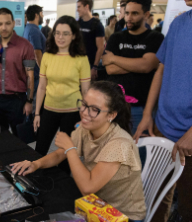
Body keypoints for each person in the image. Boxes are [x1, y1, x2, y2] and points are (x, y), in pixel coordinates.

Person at [12, 81, 146, 222]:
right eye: (84, 104)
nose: (84, 113)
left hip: (119, 213)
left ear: (111, 115)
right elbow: (59, 153)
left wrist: (70, 149)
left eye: (94, 109)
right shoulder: (87, 129)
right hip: (95, 202)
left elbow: (87, 188)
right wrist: (36, 164)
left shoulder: (119, 144)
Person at [133, 2, 192, 221]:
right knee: (155, 201)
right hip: (163, 126)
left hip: (190, 138)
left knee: (188, 207)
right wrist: (148, 114)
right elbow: (162, 69)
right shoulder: (179, 22)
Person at [102, 0, 164, 134]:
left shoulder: (155, 37)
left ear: (146, 14)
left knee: (137, 150)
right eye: (127, 13)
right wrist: (138, 63)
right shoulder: (116, 37)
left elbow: (147, 66)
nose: (129, 17)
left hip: (140, 107)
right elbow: (110, 69)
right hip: (114, 105)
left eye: (135, 13)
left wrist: (113, 58)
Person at [34, 16, 91, 160]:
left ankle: (62, 182)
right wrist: (36, 113)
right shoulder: (47, 56)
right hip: (49, 109)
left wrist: (85, 116)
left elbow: (86, 91)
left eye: (65, 33)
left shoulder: (81, 58)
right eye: (57, 33)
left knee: (67, 154)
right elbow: (41, 87)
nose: (60, 37)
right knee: (39, 150)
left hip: (72, 111)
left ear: (74, 36)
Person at [0, 8, 35, 136]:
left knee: (19, 139)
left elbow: (30, 75)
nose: (4, 27)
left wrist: (29, 101)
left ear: (13, 23)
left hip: (17, 101)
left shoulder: (25, 46)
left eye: (7, 23)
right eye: (0, 24)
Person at [23, 4, 46, 109]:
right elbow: (37, 54)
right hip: (36, 75)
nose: (43, 16)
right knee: (36, 106)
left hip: (33, 74)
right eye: (42, 14)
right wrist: (44, 72)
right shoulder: (34, 31)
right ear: (37, 15)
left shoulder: (28, 28)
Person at [77, 0, 105, 80]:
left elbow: (100, 48)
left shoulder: (97, 25)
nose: (77, 9)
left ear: (86, 7)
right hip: (77, 63)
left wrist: (94, 67)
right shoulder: (78, 24)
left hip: (90, 64)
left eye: (79, 7)